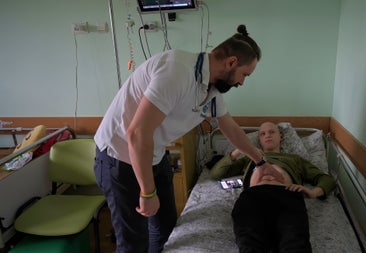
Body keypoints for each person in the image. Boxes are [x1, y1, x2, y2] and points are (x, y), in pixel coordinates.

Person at [93, 25, 285, 253]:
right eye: (245, 75)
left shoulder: (212, 90)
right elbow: (136, 133)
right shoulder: (177, 71)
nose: (242, 83)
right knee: (133, 242)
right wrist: (147, 192)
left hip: (153, 153)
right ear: (231, 62)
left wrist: (260, 162)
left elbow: (232, 130)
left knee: (165, 227)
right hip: (120, 156)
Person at [210, 122, 336, 253]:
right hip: (253, 197)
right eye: (262, 134)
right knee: (250, 244)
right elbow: (216, 173)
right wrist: (240, 150)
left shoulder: (295, 159)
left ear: (281, 136)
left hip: (287, 195)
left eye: (272, 132)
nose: (267, 136)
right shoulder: (250, 158)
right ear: (259, 139)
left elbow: (326, 179)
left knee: (295, 244)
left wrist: (313, 192)